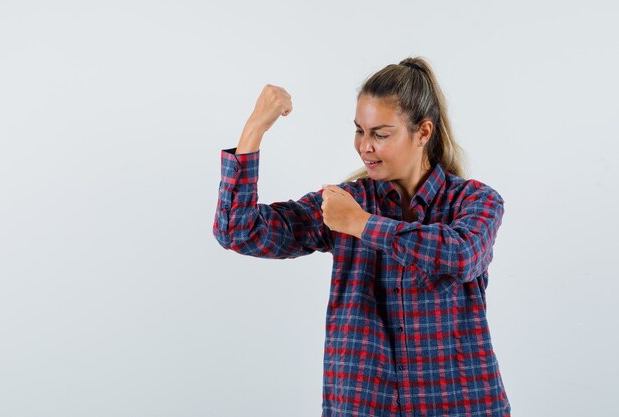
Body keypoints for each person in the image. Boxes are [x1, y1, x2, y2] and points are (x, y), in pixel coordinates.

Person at [213, 56, 511, 417]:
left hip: (458, 404)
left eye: (380, 134)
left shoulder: (475, 200)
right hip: (363, 405)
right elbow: (237, 231)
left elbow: (462, 256)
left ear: (423, 132)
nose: (364, 146)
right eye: (360, 131)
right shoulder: (343, 203)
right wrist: (253, 130)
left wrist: (361, 224)